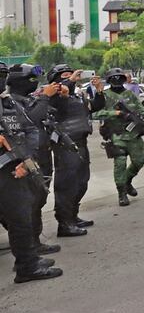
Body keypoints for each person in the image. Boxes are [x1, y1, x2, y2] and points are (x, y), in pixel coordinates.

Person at [0, 61, 63, 283]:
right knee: (19, 218)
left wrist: (25, 161)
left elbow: (29, 128)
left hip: (15, 168)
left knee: (21, 217)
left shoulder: (8, 102)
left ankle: (28, 262)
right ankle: (27, 266)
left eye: (3, 74)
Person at [91, 68, 144, 207]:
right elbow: (94, 114)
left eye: (119, 78)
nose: (117, 81)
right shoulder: (104, 95)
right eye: (113, 78)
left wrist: (142, 119)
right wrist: (115, 113)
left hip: (133, 135)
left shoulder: (130, 94)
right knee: (120, 163)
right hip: (116, 135)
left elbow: (141, 111)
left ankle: (127, 181)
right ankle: (121, 193)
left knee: (139, 160)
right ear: (109, 80)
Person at [48, 64, 95, 235]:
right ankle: (64, 223)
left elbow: (94, 108)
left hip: (81, 142)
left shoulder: (76, 95)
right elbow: (56, 101)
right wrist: (70, 81)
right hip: (65, 144)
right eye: (65, 76)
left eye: (71, 74)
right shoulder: (53, 95)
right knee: (67, 185)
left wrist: (99, 92)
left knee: (81, 182)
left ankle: (73, 216)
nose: (70, 77)